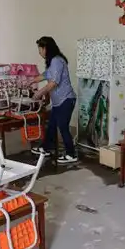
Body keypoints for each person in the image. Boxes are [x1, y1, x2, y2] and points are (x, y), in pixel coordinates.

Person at [29, 36, 78, 164]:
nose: (39, 52)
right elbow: (46, 75)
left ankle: (71, 154)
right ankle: (46, 148)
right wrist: (32, 80)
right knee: (51, 126)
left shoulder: (57, 61)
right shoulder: (53, 62)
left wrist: (39, 93)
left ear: (46, 48)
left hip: (66, 99)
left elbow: (54, 83)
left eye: (40, 49)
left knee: (63, 127)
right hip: (59, 101)